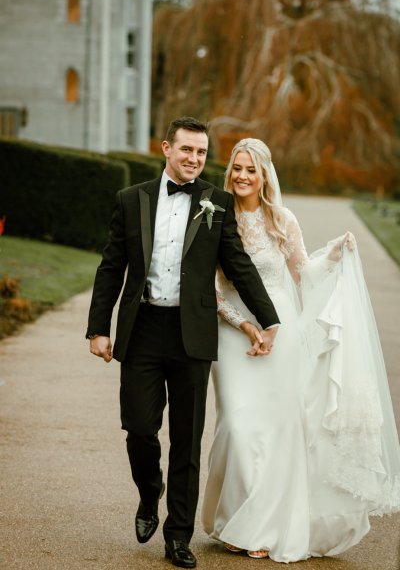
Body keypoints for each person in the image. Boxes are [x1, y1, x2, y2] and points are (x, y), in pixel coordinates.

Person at [86, 118, 281, 568]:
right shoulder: (131, 199)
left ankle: (178, 536)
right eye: (187, 150)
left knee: (188, 442)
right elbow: (110, 267)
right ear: (167, 148)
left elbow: (238, 265)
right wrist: (98, 328)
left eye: (202, 153)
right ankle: (149, 489)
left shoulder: (218, 202)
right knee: (138, 427)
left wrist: (269, 319)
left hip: (193, 334)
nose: (195, 159)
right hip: (143, 330)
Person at [201, 138, 400, 562]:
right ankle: (236, 515)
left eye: (250, 169)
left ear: (264, 174)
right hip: (233, 330)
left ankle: (256, 528)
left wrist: (333, 255)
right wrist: (243, 323)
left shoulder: (281, 219)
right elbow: (212, 288)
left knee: (279, 428)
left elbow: (301, 273)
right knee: (236, 424)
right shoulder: (218, 216)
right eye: (236, 168)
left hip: (280, 333)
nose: (241, 176)